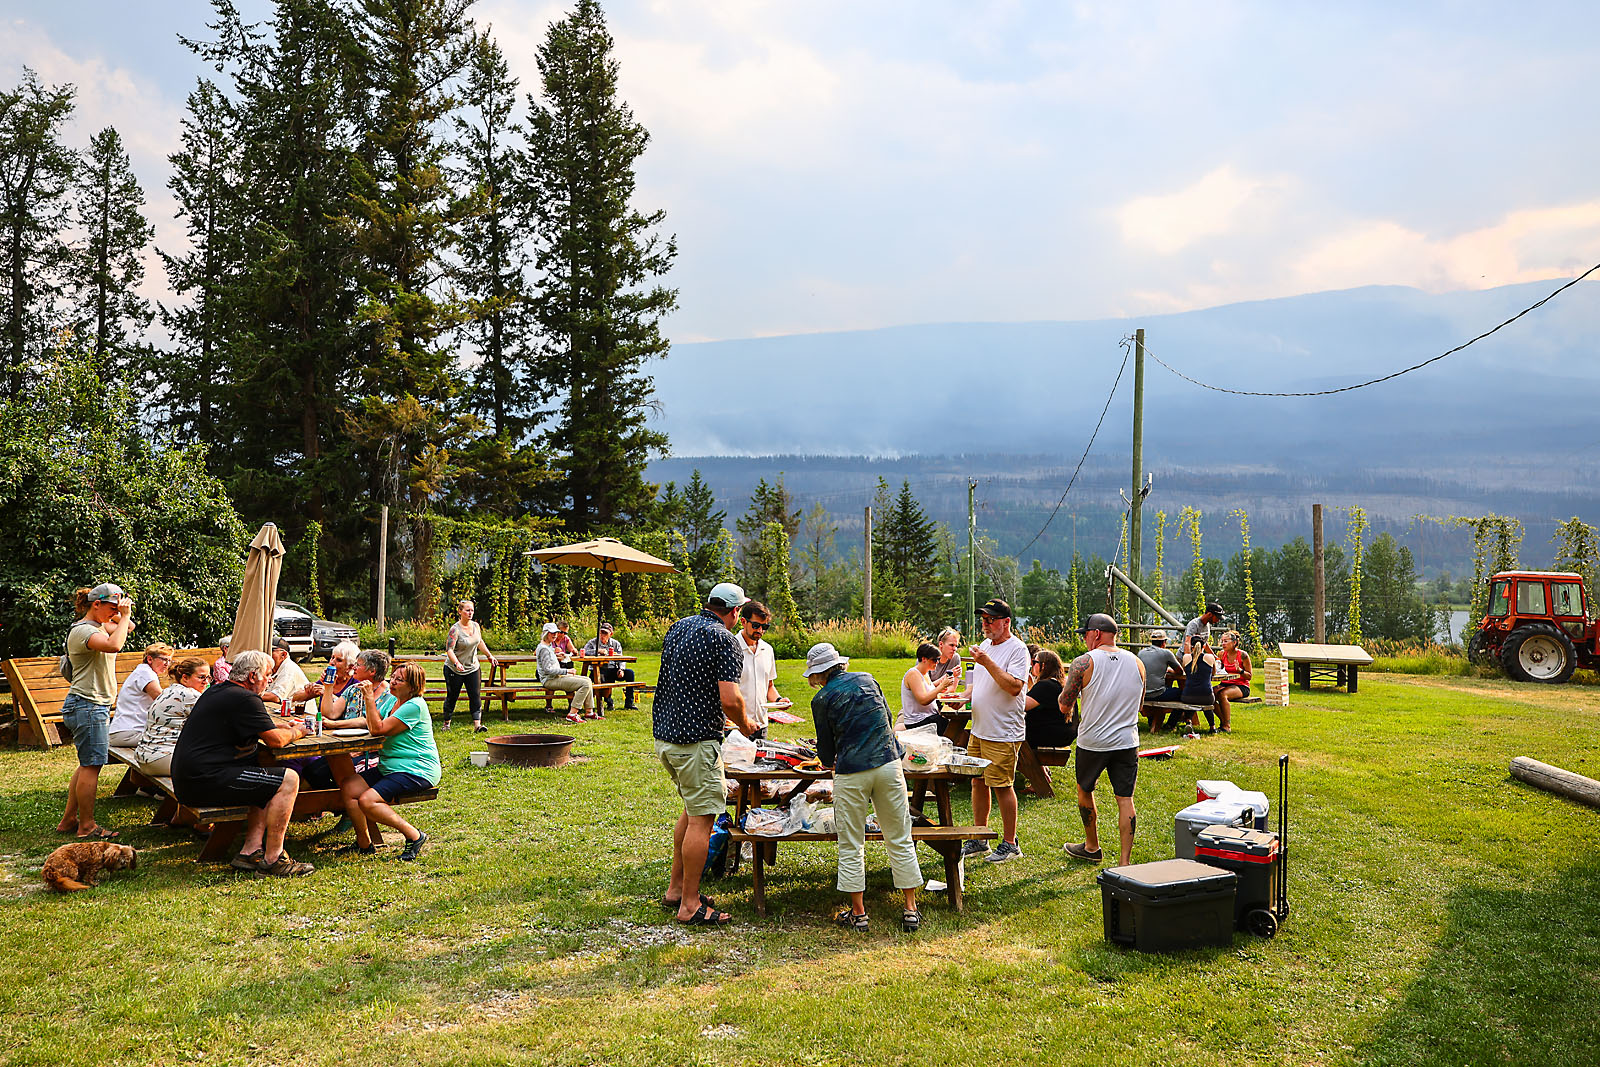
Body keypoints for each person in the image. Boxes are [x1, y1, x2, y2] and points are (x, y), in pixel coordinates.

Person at [653, 582, 757, 927]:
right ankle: (690, 904)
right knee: (704, 817)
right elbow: (730, 698)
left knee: (691, 810)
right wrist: (746, 724)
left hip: (666, 738)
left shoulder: (679, 626)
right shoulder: (725, 639)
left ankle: (677, 890)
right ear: (736, 612)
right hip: (695, 742)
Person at [806, 641, 923, 934]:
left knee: (851, 842)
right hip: (887, 763)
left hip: (851, 771)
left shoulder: (822, 699)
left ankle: (859, 914)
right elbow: (885, 717)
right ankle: (910, 908)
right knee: (899, 836)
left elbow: (825, 752)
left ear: (819, 674)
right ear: (840, 664)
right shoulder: (868, 679)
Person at [172, 649, 315, 876]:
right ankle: (274, 860)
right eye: (268, 675)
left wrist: (281, 727)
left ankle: (250, 852)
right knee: (288, 779)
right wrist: (299, 731)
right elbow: (276, 742)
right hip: (204, 781)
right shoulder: (245, 698)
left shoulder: (220, 690)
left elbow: (257, 727)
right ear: (252, 677)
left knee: (263, 773)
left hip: (189, 778)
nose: (270, 680)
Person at [1061, 614, 1146, 867]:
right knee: (1125, 799)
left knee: (1085, 790)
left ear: (1096, 634)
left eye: (1086, 633)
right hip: (1127, 741)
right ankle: (1124, 863)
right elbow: (1140, 706)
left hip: (1093, 742)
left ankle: (1091, 846)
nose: (1085, 639)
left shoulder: (1083, 662)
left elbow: (1064, 705)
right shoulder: (1137, 662)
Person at [336, 661, 439, 861]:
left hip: (416, 769)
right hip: (390, 767)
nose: (392, 682)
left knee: (367, 800)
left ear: (413, 685)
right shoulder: (393, 701)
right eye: (392, 677)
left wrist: (367, 696)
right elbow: (370, 719)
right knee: (349, 786)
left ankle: (414, 835)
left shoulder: (414, 706)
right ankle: (364, 844)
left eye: (399, 680)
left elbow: (377, 729)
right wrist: (334, 723)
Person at [56, 584, 136, 840]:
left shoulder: (99, 626)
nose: (115, 613)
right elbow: (115, 645)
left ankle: (69, 819)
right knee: (92, 765)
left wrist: (122, 615)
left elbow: (129, 628)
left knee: (86, 765)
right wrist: (121, 617)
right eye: (110, 608)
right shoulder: (83, 631)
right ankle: (87, 826)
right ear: (96, 604)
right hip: (87, 705)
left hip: (91, 705)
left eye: (117, 608)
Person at [957, 598, 1030, 864]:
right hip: (980, 728)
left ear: (1006, 622)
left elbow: (1013, 687)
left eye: (991, 620)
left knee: (1001, 785)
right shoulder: (986, 646)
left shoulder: (1017, 650)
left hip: (1003, 731)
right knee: (977, 781)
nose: (985, 624)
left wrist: (987, 661)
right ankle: (980, 838)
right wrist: (964, 695)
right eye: (984, 619)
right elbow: (979, 681)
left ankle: (1011, 844)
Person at [133, 656, 210, 776]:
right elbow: (214, 722)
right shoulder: (190, 695)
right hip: (163, 759)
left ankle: (153, 791)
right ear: (185, 678)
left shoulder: (169, 690)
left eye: (208, 677)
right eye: (201, 677)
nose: (206, 682)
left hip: (144, 757)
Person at [442, 599, 496, 732]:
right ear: (460, 611)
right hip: (454, 668)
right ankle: (446, 724)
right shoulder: (455, 629)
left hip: (472, 667)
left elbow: (479, 642)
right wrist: (457, 663)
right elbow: (449, 650)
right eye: (467, 610)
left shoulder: (476, 626)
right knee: (452, 695)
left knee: (475, 695)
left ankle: (478, 725)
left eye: (472, 610)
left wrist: (489, 655)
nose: (470, 613)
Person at [733, 601, 786, 738]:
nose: (760, 631)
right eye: (756, 626)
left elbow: (769, 686)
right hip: (736, 726)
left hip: (761, 726)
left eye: (765, 627)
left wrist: (778, 700)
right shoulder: (731, 648)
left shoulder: (767, 650)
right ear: (743, 622)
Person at [110, 642, 174, 748]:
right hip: (128, 733)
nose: (167, 664)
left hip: (124, 731)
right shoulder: (145, 674)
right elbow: (162, 702)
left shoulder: (144, 671)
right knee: (173, 740)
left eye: (169, 660)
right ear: (150, 659)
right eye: (164, 659)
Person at [538, 622, 597, 723]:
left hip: (556, 677)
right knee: (585, 684)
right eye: (552, 633)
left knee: (588, 680)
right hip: (550, 680)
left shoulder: (547, 647)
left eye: (556, 633)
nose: (555, 635)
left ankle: (589, 712)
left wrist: (557, 656)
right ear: (546, 634)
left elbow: (550, 662)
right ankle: (572, 714)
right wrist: (567, 671)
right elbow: (548, 670)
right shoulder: (544, 649)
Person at [897, 642, 956, 733]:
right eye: (934, 660)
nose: (937, 663)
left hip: (928, 717)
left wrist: (941, 689)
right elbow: (923, 700)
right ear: (924, 659)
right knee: (953, 729)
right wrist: (941, 686)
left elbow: (930, 692)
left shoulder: (925, 674)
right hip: (918, 721)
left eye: (938, 659)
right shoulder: (913, 674)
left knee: (952, 724)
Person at [1024, 649, 1074, 749]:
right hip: (1062, 733)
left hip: (1049, 735)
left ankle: (1032, 765)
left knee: (1012, 732)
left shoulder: (1046, 685)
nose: (1032, 665)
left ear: (1043, 666)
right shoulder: (1058, 683)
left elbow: (1022, 705)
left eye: (1035, 662)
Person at [1137, 630, 1187, 731]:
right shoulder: (1166, 653)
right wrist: (1169, 669)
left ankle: (1152, 721)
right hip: (1157, 693)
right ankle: (1170, 724)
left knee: (1163, 688)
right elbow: (1180, 672)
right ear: (1164, 642)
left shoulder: (1141, 653)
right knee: (1184, 695)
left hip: (1142, 694)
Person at [583, 621, 637, 712]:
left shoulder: (616, 644)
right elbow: (584, 651)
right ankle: (607, 701)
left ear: (610, 634)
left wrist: (621, 669)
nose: (602, 635)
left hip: (612, 668)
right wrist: (598, 651)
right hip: (598, 668)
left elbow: (621, 658)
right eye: (601, 632)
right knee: (600, 677)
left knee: (630, 673)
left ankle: (629, 703)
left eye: (605, 633)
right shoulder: (593, 642)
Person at [265, 637, 322, 711]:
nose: (267, 654)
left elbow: (276, 697)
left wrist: (252, 695)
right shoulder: (273, 668)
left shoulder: (289, 668)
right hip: (284, 713)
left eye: (271, 651)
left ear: (283, 655)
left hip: (302, 716)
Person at [1212, 630, 1252, 733]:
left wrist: (1240, 671)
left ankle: (1227, 726)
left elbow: (1249, 676)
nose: (1223, 644)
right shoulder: (1222, 654)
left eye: (1226, 641)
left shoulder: (1243, 655)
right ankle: (1223, 722)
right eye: (1222, 641)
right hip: (1225, 683)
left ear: (1234, 642)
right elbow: (1219, 669)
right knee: (1208, 694)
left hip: (1241, 685)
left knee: (1223, 694)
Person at [1180, 637, 1221, 733]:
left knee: (1192, 697)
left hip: (1187, 696)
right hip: (1207, 697)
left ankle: (1188, 721)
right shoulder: (1210, 657)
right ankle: (1212, 727)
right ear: (1204, 646)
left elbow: (1184, 671)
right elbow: (1213, 673)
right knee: (1206, 701)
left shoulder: (1186, 657)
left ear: (1191, 646)